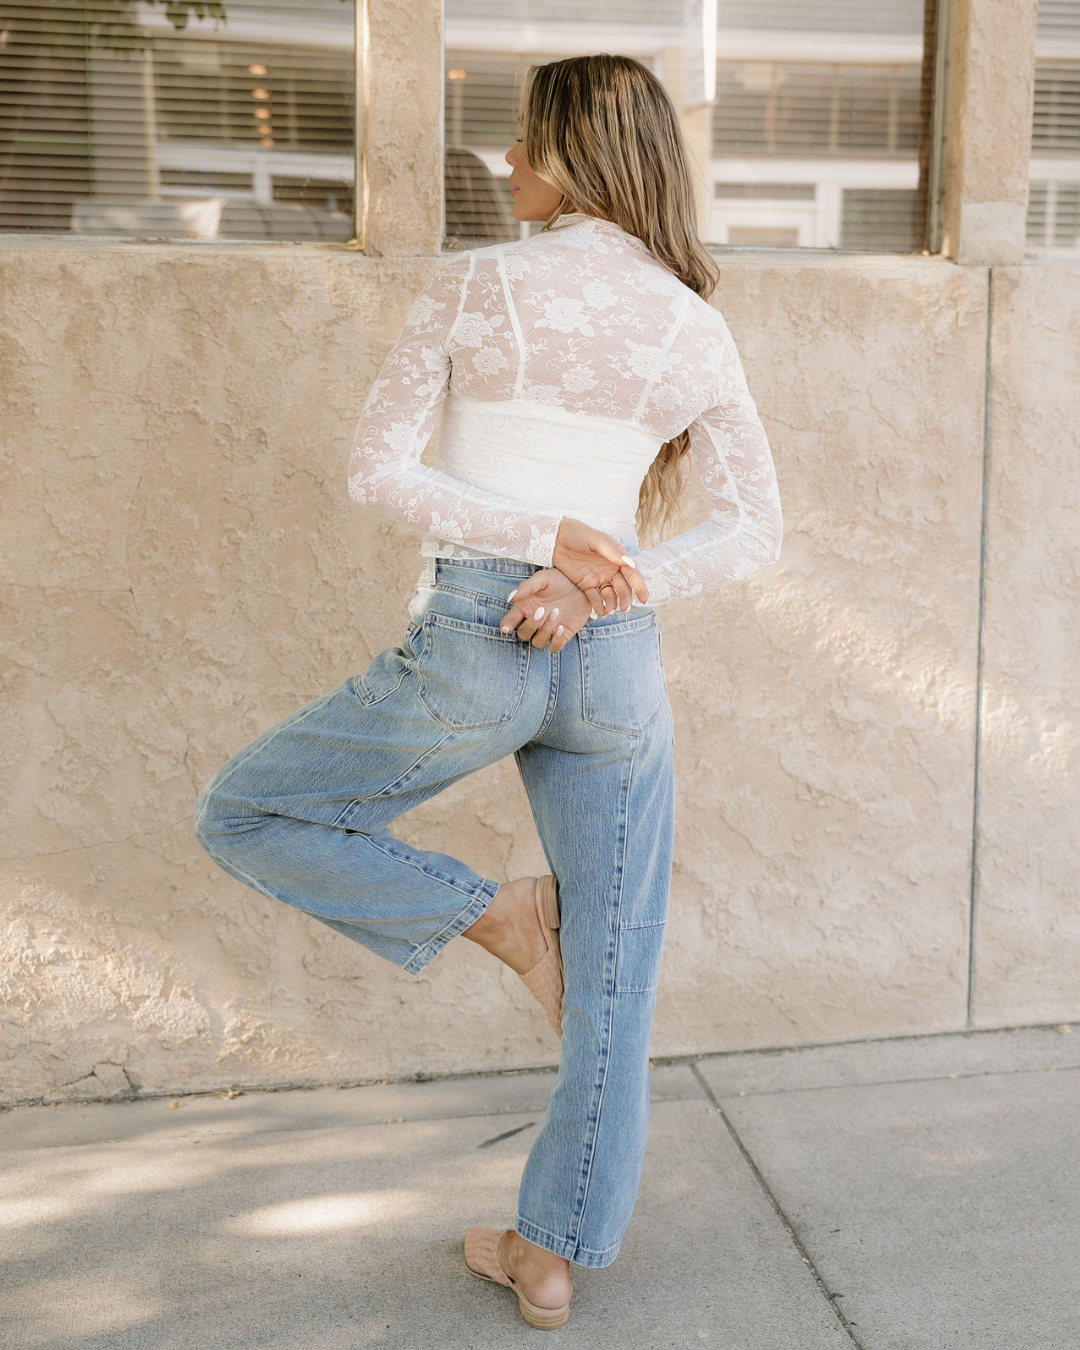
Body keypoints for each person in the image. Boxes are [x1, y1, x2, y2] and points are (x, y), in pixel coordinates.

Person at [194, 53, 782, 1332]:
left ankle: (498, 917)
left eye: (522, 142)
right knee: (616, 964)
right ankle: (550, 1256)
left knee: (243, 812)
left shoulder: (480, 284)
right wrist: (586, 569)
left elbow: (377, 469)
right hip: (611, 662)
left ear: (572, 156)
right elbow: (754, 531)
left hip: (481, 639)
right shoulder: (693, 321)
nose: (505, 162)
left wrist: (545, 546)